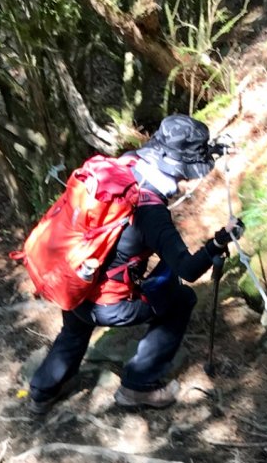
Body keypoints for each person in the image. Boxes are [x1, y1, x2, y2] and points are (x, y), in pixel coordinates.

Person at [27, 114, 242, 414]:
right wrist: (219, 242)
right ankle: (138, 386)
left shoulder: (123, 168)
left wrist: (210, 151)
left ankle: (41, 392)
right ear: (182, 169)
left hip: (74, 282)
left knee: (75, 328)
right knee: (181, 301)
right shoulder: (152, 213)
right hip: (108, 304)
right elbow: (189, 270)